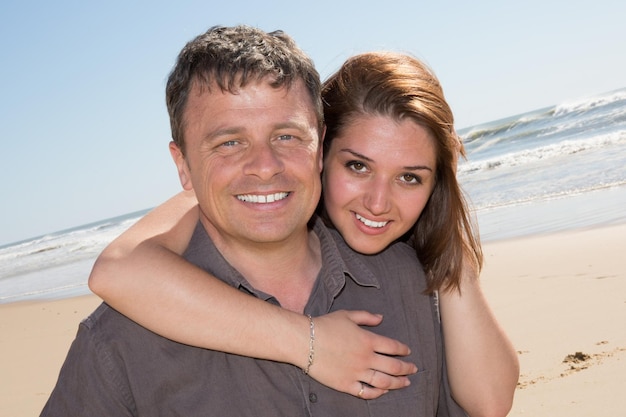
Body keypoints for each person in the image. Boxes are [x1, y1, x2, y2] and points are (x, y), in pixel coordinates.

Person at [41, 25, 470, 416]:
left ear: (320, 147)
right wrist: (310, 344)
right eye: (229, 142)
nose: (264, 166)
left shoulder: (405, 280)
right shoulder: (120, 341)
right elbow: (116, 269)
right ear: (183, 165)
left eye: (286, 136)